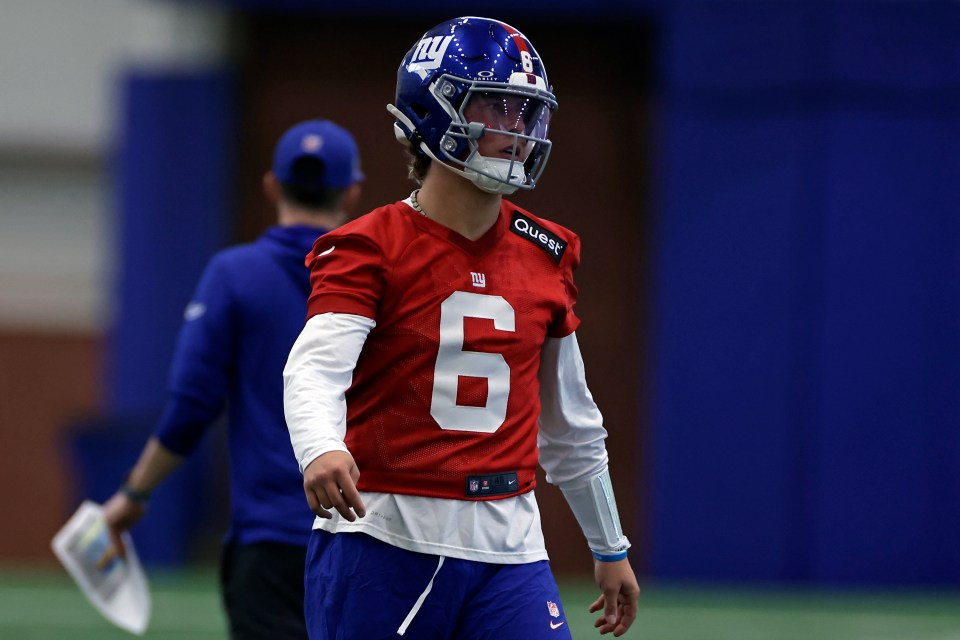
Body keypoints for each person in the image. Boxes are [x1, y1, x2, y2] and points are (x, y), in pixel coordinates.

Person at [283, 16, 640, 640]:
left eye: (525, 113)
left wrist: (609, 544)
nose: (516, 131)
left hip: (510, 542)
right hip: (385, 534)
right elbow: (314, 368)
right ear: (432, 111)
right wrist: (320, 446)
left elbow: (571, 423)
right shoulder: (369, 246)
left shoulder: (546, 253)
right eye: (495, 108)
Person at [102, 119, 364, 639]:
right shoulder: (375, 277)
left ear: (272, 186)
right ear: (351, 192)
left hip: (270, 543)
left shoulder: (235, 274)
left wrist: (134, 494)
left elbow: (192, 406)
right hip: (365, 535)